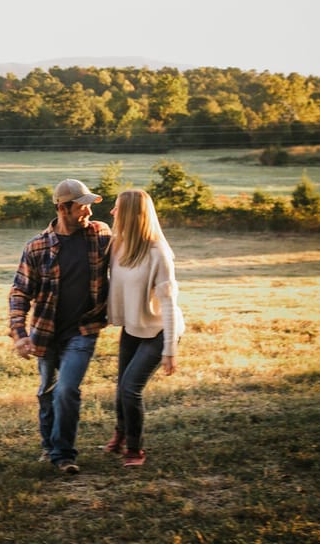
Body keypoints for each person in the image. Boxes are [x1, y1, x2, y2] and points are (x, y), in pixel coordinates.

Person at [9, 178, 112, 474]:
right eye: (83, 208)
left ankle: (64, 455)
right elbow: (19, 292)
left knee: (67, 389)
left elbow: (129, 255)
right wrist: (19, 334)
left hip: (83, 330)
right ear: (62, 208)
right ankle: (48, 446)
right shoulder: (38, 247)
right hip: (46, 332)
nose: (89, 214)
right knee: (47, 391)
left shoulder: (100, 234)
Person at [104, 189, 185, 467]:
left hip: (159, 331)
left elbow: (170, 305)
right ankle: (121, 432)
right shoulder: (118, 246)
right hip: (132, 328)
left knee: (130, 388)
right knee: (121, 387)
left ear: (130, 214)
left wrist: (170, 350)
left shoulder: (158, 254)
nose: (112, 213)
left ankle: (135, 448)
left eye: (117, 208)